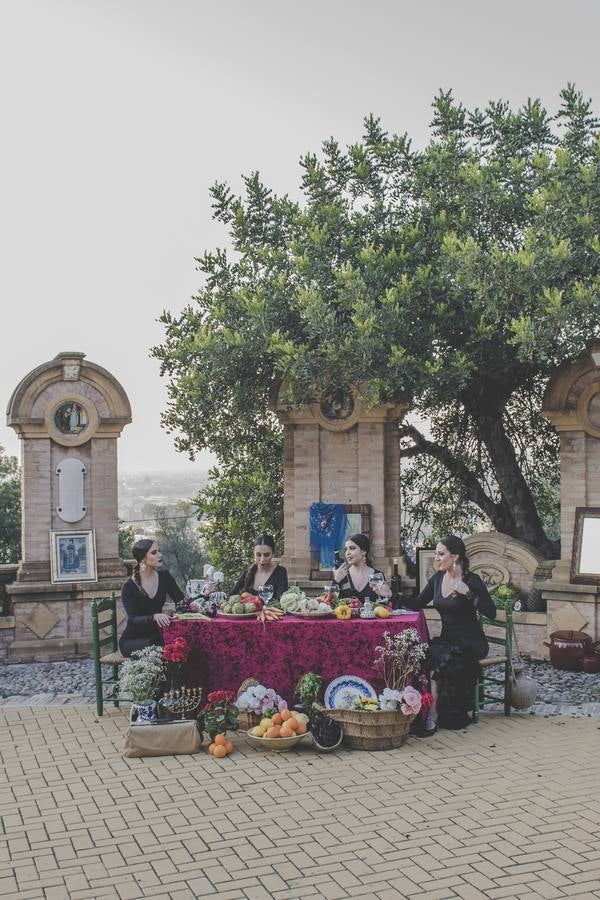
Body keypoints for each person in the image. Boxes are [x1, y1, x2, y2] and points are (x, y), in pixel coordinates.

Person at [403, 535, 496, 734]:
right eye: (436, 554)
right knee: (424, 655)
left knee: (440, 659)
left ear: (455, 557)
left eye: (440, 554)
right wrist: (390, 596)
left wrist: (469, 594)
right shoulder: (437, 578)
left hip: (471, 642)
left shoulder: (472, 580)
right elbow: (417, 602)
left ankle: (434, 714)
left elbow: (491, 612)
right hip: (448, 640)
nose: (436, 558)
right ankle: (424, 710)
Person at [119, 539, 184, 657]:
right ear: (143, 559)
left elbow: (181, 602)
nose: (160, 555)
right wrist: (154, 617)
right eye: (154, 552)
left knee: (181, 644)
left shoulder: (165, 577)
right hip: (133, 640)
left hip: (157, 635)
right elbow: (133, 619)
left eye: (159, 551)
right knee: (164, 648)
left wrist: (203, 594)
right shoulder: (128, 587)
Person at [332, 533, 392, 603]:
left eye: (352, 548)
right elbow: (328, 604)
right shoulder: (342, 574)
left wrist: (387, 596)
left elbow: (385, 604)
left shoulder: (375, 576)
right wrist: (336, 581)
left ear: (363, 551)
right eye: (346, 549)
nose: (347, 553)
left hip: (370, 614)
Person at [228, 534, 289, 601]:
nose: (262, 559)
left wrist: (252, 598)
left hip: (270, 611)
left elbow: (281, 600)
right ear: (254, 553)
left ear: (273, 554)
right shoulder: (248, 572)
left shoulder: (280, 572)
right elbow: (231, 595)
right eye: (258, 555)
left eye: (266, 555)